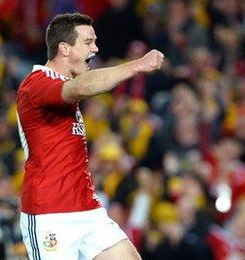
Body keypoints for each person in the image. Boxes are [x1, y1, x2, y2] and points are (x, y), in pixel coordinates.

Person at [15, 12, 164, 260]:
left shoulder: (61, 88)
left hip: (87, 209)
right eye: (87, 42)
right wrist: (136, 65)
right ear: (64, 48)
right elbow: (82, 87)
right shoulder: (36, 84)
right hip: (49, 213)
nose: (95, 48)